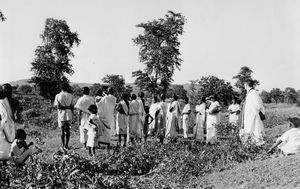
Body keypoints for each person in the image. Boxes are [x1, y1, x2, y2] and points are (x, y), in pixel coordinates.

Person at [240, 79, 265, 145]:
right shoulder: (249, 93)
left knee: (255, 129)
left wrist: (258, 112)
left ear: (246, 85)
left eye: (244, 84)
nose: (244, 85)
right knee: (249, 129)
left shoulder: (253, 92)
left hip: (253, 115)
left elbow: (258, 104)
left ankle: (257, 144)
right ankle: (251, 144)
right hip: (249, 116)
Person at [54, 83, 75, 150]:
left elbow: (57, 106)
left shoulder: (58, 95)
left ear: (61, 88)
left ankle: (63, 145)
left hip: (61, 113)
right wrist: (72, 113)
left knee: (62, 130)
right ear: (67, 88)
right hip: (69, 113)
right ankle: (66, 145)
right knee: (68, 130)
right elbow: (72, 106)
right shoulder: (71, 95)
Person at [0, 84, 17, 163]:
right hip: (11, 125)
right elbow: (17, 116)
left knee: (3, 143)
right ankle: (6, 160)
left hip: (3, 124)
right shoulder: (15, 101)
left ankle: (4, 160)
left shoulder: (1, 102)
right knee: (9, 142)